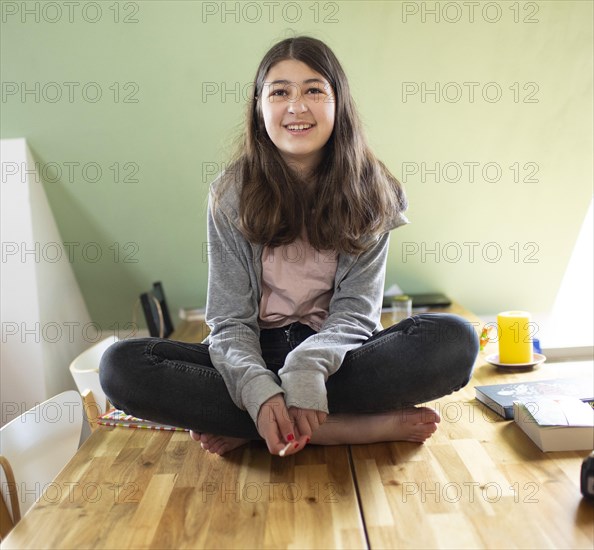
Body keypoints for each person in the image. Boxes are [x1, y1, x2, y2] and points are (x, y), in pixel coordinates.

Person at [100, 36, 478, 457]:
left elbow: (355, 314)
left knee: (455, 340)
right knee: (121, 367)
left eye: (314, 90)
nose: (297, 106)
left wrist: (307, 365)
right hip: (252, 353)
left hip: (337, 359)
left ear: (339, 103)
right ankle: (333, 427)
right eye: (280, 92)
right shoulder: (231, 193)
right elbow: (229, 321)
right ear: (259, 108)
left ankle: (254, 425)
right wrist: (258, 389)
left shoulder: (375, 190)